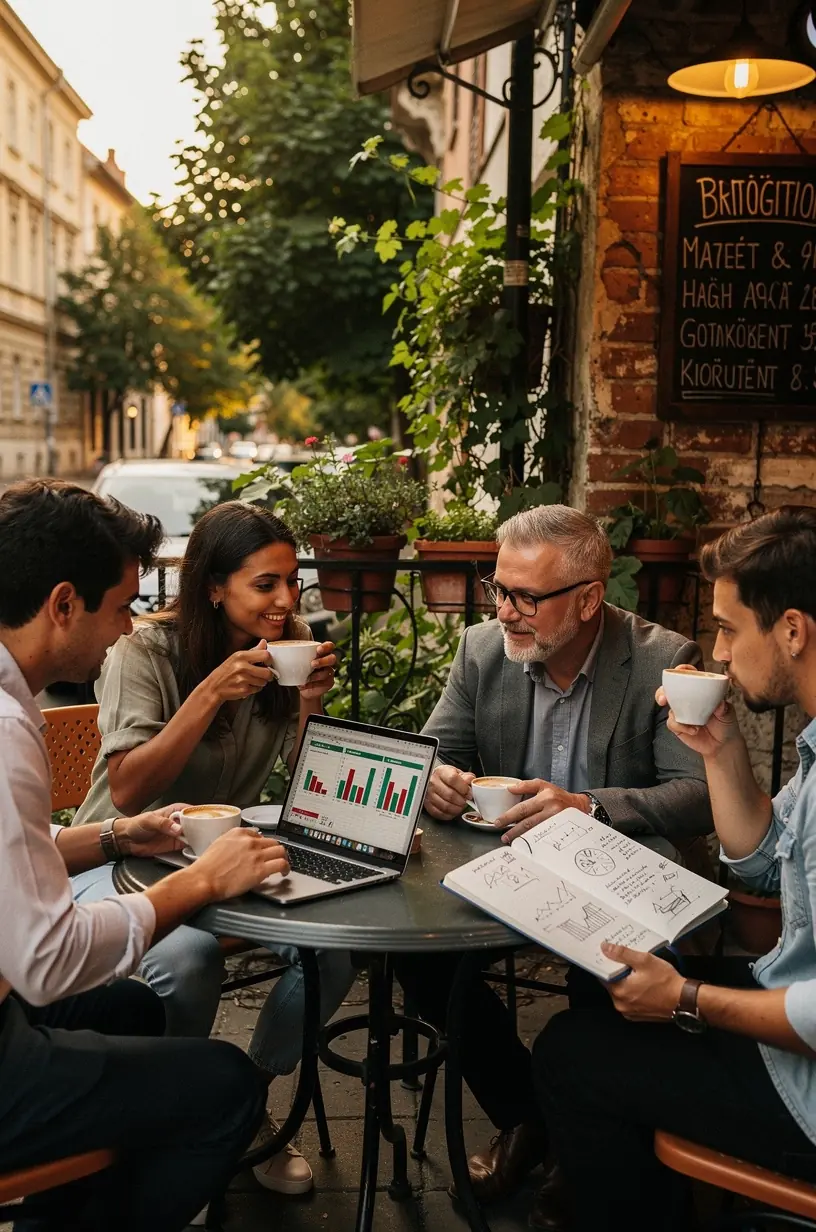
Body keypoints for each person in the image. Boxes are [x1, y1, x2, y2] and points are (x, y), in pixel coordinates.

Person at [395, 504, 714, 1204]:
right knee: (410, 951)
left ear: (590, 598)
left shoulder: (664, 658)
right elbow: (433, 753)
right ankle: (526, 1117)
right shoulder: (483, 649)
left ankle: (588, 1147)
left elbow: (698, 793)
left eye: (525, 597)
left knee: (601, 974)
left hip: (611, 873)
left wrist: (589, 805)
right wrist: (437, 781)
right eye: (498, 589)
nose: (505, 611)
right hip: (502, 865)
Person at [0, 479, 293, 1232]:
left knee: (133, 1006)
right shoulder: (6, 731)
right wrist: (196, 883)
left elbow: (21, 860)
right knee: (225, 1084)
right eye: (119, 605)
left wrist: (118, 835)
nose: (123, 627)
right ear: (63, 603)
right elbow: (47, 958)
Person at [533, 506, 816, 1232]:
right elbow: (757, 862)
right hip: (784, 1003)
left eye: (727, 628)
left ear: (791, 630)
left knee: (571, 1056)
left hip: (806, 1095)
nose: (719, 655)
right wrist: (719, 749)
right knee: (604, 993)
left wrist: (688, 997)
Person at [71, 500, 355, 1196]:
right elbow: (130, 789)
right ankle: (170, 1111)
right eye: (266, 584)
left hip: (222, 862)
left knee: (338, 946)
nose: (287, 601)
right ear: (214, 587)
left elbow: (305, 789)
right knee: (190, 960)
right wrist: (206, 696)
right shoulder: (145, 652)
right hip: (118, 863)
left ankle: (245, 1104)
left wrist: (310, 706)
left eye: (293, 582)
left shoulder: (277, 652)